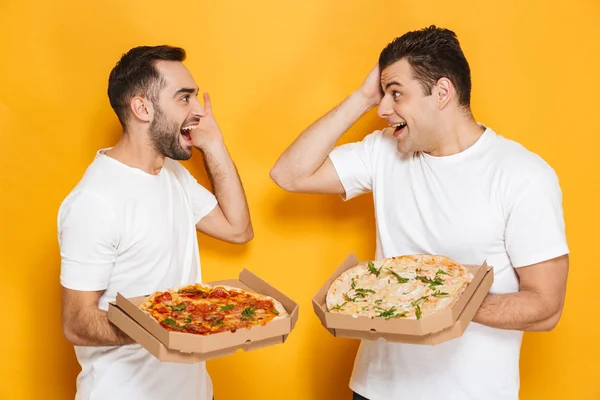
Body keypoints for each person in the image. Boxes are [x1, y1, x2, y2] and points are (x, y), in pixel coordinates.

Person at [270, 25, 569, 400]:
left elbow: (546, 307)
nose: (383, 109)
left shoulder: (523, 175)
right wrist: (362, 96)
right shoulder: (384, 150)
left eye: (396, 94)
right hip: (374, 388)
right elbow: (289, 174)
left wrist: (427, 301)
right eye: (381, 94)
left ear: (442, 92)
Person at [58, 45, 253, 400]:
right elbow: (77, 323)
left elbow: (237, 229)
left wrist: (215, 145)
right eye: (184, 98)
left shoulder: (173, 174)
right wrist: (168, 326)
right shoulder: (94, 201)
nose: (198, 111)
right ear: (142, 108)